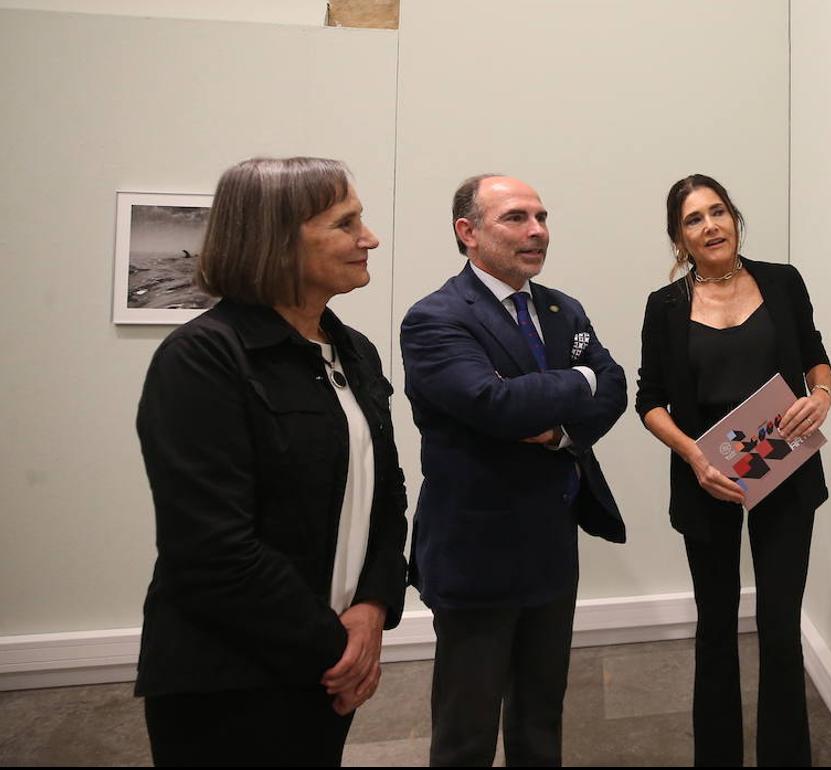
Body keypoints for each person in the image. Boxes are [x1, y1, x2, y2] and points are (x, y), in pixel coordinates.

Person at [134, 157, 409, 767]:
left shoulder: (353, 350)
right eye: (346, 223)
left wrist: (372, 609)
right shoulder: (202, 359)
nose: (370, 238)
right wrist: (336, 644)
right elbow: (212, 548)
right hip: (231, 680)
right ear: (277, 242)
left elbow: (384, 495)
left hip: (328, 669)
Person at [400, 174, 627, 767]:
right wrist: (578, 381)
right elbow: (491, 404)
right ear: (467, 232)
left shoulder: (560, 308)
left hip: (551, 547)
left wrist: (558, 429)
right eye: (517, 218)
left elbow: (614, 389)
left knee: (540, 718)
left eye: (542, 217)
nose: (537, 231)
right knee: (466, 732)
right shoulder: (435, 318)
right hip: (476, 553)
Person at [635, 174, 831, 766]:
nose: (710, 226)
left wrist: (822, 396)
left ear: (735, 218)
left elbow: (816, 354)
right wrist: (695, 455)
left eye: (717, 211)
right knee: (716, 628)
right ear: (679, 238)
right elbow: (649, 400)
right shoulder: (664, 306)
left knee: (779, 627)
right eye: (694, 219)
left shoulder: (782, 282)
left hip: (785, 471)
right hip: (709, 480)